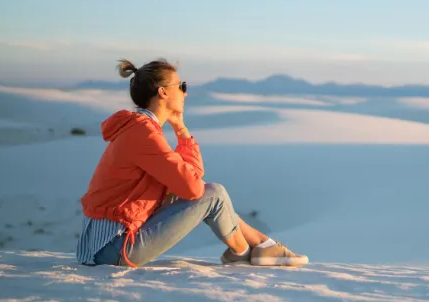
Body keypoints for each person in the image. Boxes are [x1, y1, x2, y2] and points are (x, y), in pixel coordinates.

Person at [75, 58, 308, 268]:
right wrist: (182, 134)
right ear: (164, 92)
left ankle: (263, 246)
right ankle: (245, 253)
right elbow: (195, 188)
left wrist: (181, 129)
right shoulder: (142, 133)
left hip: (107, 246)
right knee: (214, 194)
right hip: (112, 249)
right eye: (181, 86)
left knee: (211, 195)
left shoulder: (140, 129)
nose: (185, 93)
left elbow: (192, 180)